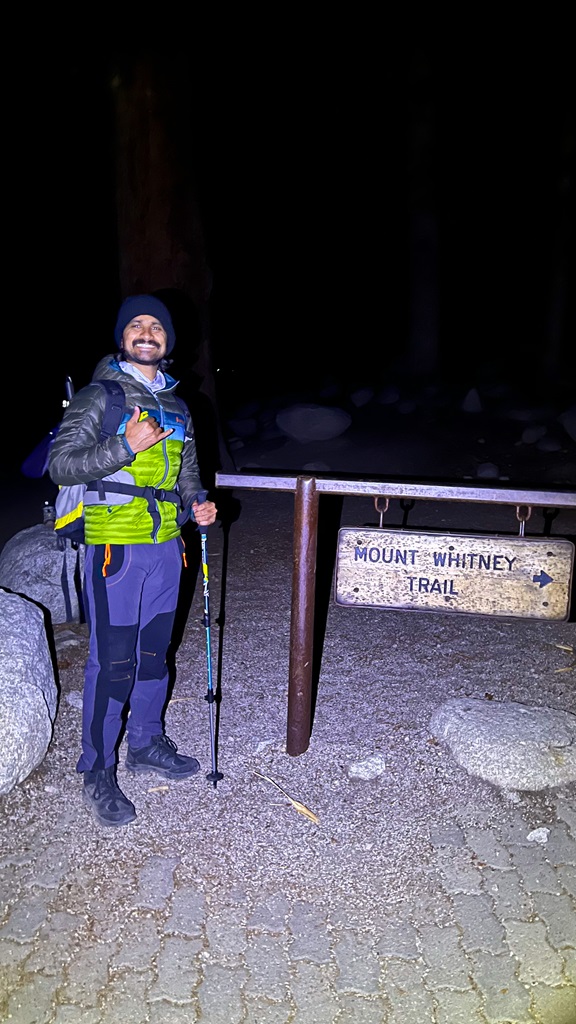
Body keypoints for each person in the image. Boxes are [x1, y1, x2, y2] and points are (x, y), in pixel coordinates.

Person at [48, 294, 218, 828]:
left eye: (157, 327)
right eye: (137, 326)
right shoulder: (100, 397)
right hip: (114, 549)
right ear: (123, 337)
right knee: (112, 661)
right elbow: (60, 466)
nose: (147, 333)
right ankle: (96, 769)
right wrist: (125, 445)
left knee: (154, 655)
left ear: (168, 341)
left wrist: (198, 503)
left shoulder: (180, 406)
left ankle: (145, 744)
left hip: (167, 547)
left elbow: (187, 474)